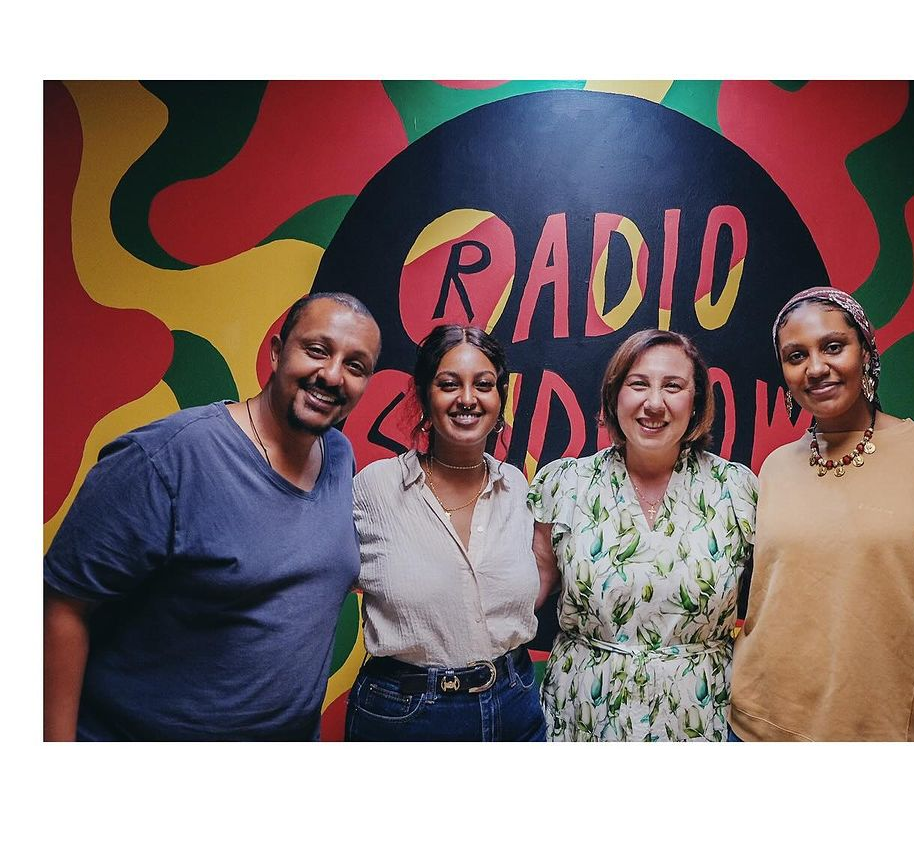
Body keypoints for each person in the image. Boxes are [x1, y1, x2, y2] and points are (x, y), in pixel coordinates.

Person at [43, 292, 381, 740]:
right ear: (277, 352)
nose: (333, 375)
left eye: (355, 366)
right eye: (317, 350)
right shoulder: (166, 457)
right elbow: (63, 605)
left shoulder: (338, 455)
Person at [730, 286, 914, 741]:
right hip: (759, 730)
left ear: (866, 352)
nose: (816, 368)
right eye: (796, 356)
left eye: (833, 346)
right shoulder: (774, 468)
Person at [529, 329, 757, 741]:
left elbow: (776, 603)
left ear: (696, 401)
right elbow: (525, 594)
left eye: (673, 386)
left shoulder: (736, 489)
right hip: (584, 716)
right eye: (638, 384)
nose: (654, 403)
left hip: (699, 717)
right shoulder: (565, 484)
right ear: (614, 396)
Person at [346, 325, 544, 741]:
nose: (467, 399)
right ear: (424, 396)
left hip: (514, 700)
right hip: (408, 713)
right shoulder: (375, 488)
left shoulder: (516, 486)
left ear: (500, 398)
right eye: (449, 384)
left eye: (483, 385)